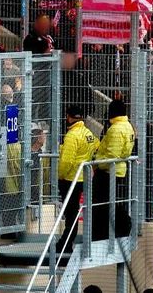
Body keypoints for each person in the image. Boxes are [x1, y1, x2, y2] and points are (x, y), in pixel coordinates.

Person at [55, 104, 98, 254]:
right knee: (75, 213)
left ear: (68, 117)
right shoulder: (88, 133)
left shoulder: (72, 136)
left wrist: (60, 175)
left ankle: (65, 244)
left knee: (71, 214)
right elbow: (97, 148)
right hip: (84, 178)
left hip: (70, 179)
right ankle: (66, 243)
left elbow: (66, 161)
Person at [91, 98, 135, 240]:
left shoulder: (116, 129)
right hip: (117, 170)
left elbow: (112, 155)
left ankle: (121, 225)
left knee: (101, 203)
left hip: (108, 171)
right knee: (106, 202)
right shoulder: (127, 126)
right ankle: (104, 232)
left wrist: (98, 163)